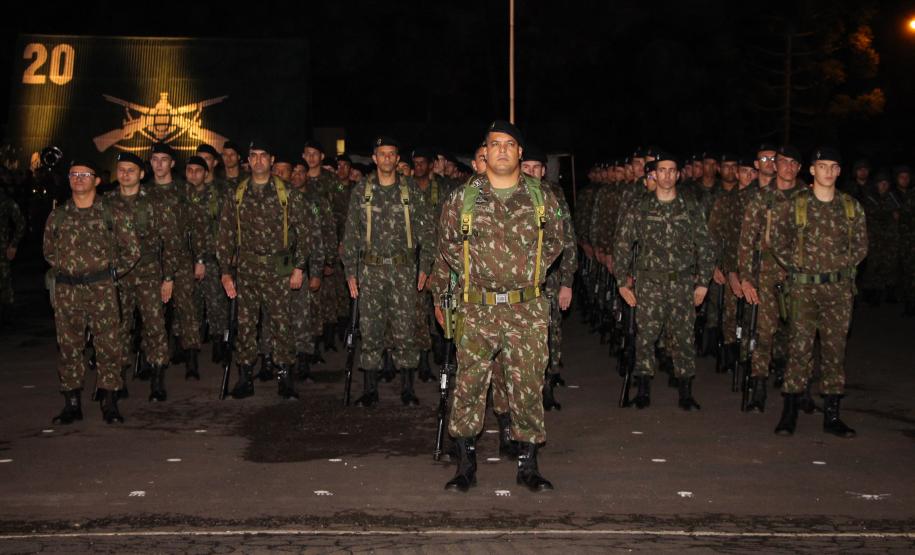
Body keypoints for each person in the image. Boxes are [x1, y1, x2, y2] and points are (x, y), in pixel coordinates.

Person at [438, 120, 564, 492]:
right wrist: (476, 275)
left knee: (527, 384)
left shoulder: (541, 197)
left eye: (510, 144)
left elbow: (556, 240)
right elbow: (447, 243)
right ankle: (465, 465)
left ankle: (528, 466)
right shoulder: (463, 198)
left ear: (520, 152)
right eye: (495, 144)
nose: (503, 150)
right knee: (470, 385)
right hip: (478, 307)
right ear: (486, 151)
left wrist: (528, 272)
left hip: (526, 308)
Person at [769, 147, 867, 437]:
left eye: (833, 167)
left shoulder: (850, 207)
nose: (828, 171)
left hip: (838, 290)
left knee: (834, 351)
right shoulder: (796, 204)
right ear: (812, 170)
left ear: (839, 172)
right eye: (822, 166)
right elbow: (777, 240)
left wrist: (840, 266)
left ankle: (832, 416)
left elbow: (861, 246)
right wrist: (797, 265)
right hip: (804, 288)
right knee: (799, 348)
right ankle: (789, 412)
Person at [216, 140, 321, 400]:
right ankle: (245, 376)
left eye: (264, 155)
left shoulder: (287, 192)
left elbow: (305, 232)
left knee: (281, 322)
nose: (259, 160)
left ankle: (285, 376)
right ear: (248, 160)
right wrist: (225, 271)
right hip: (247, 267)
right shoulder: (237, 193)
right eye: (254, 155)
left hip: (279, 267)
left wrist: (299, 267)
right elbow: (225, 235)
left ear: (272, 160)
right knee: (245, 324)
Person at [614, 152, 714, 411]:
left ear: (678, 175)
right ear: (654, 174)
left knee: (684, 337)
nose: (667, 175)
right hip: (650, 284)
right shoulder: (640, 207)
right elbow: (623, 244)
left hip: (682, 283)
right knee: (645, 337)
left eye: (672, 170)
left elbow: (705, 245)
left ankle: (686, 391)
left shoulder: (690, 207)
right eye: (662, 170)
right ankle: (643, 389)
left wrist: (703, 282)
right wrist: (622, 282)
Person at [44, 159, 140, 423]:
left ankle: (110, 402)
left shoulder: (112, 213)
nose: (79, 178)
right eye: (74, 174)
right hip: (67, 290)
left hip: (102, 289)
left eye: (85, 174)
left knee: (108, 345)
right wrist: (68, 268)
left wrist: (111, 274)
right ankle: (72, 403)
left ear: (97, 180)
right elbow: (49, 251)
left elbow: (132, 250)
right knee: (69, 346)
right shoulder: (58, 215)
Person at [342, 136, 434, 406]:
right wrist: (350, 271)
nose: (386, 158)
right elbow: (351, 234)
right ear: (374, 158)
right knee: (371, 329)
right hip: (370, 271)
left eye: (391, 154)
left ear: (397, 159)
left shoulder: (410, 190)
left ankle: (408, 388)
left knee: (406, 329)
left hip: (403, 270)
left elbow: (427, 231)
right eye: (382, 154)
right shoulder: (362, 190)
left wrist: (425, 266)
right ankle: (370, 389)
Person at [106, 152, 179, 399]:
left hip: (149, 273)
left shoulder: (155, 202)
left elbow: (170, 242)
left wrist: (168, 277)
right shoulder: (106, 202)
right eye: (121, 169)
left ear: (141, 174)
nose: (125, 174)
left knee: (155, 326)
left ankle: (157, 379)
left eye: (131, 170)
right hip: (118, 275)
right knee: (118, 327)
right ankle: (118, 379)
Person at [737, 145, 800, 410]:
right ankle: (759, 386)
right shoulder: (761, 199)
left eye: (793, 162)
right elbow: (745, 242)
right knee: (763, 333)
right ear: (775, 166)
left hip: (799, 277)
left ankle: (798, 387)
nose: (787, 167)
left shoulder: (807, 198)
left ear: (799, 167)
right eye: (782, 161)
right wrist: (745, 278)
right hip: (765, 275)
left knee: (800, 334)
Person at [148, 143, 201, 378]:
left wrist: (200, 258)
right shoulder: (144, 192)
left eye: (164, 159)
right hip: (152, 261)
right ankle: (153, 360)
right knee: (152, 312)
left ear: (172, 163)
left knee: (186, 309)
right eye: (155, 159)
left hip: (181, 259)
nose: (159, 164)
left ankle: (191, 359)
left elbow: (198, 227)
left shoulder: (185, 190)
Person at [183, 156, 229, 369]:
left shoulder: (216, 197)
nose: (193, 174)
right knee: (190, 308)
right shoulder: (180, 197)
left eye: (198, 170)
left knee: (215, 305)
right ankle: (191, 354)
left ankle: (218, 344)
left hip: (211, 260)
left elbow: (223, 229)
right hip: (184, 261)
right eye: (189, 170)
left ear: (206, 173)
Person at [0, 186, 25, 326]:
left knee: (5, 283)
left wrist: (13, 245)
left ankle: (8, 316)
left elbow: (21, 223)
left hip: (2, 250)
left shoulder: (5, 201)